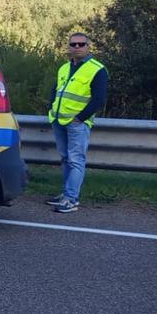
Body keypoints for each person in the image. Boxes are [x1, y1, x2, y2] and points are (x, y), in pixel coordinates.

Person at [47, 31, 108, 214]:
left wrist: (80, 118)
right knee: (66, 159)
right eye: (73, 44)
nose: (77, 47)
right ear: (68, 47)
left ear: (88, 46)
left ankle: (71, 199)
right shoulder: (64, 68)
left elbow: (99, 99)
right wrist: (51, 108)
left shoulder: (97, 69)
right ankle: (66, 194)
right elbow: (55, 90)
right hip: (58, 119)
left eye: (81, 44)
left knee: (75, 160)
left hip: (77, 123)